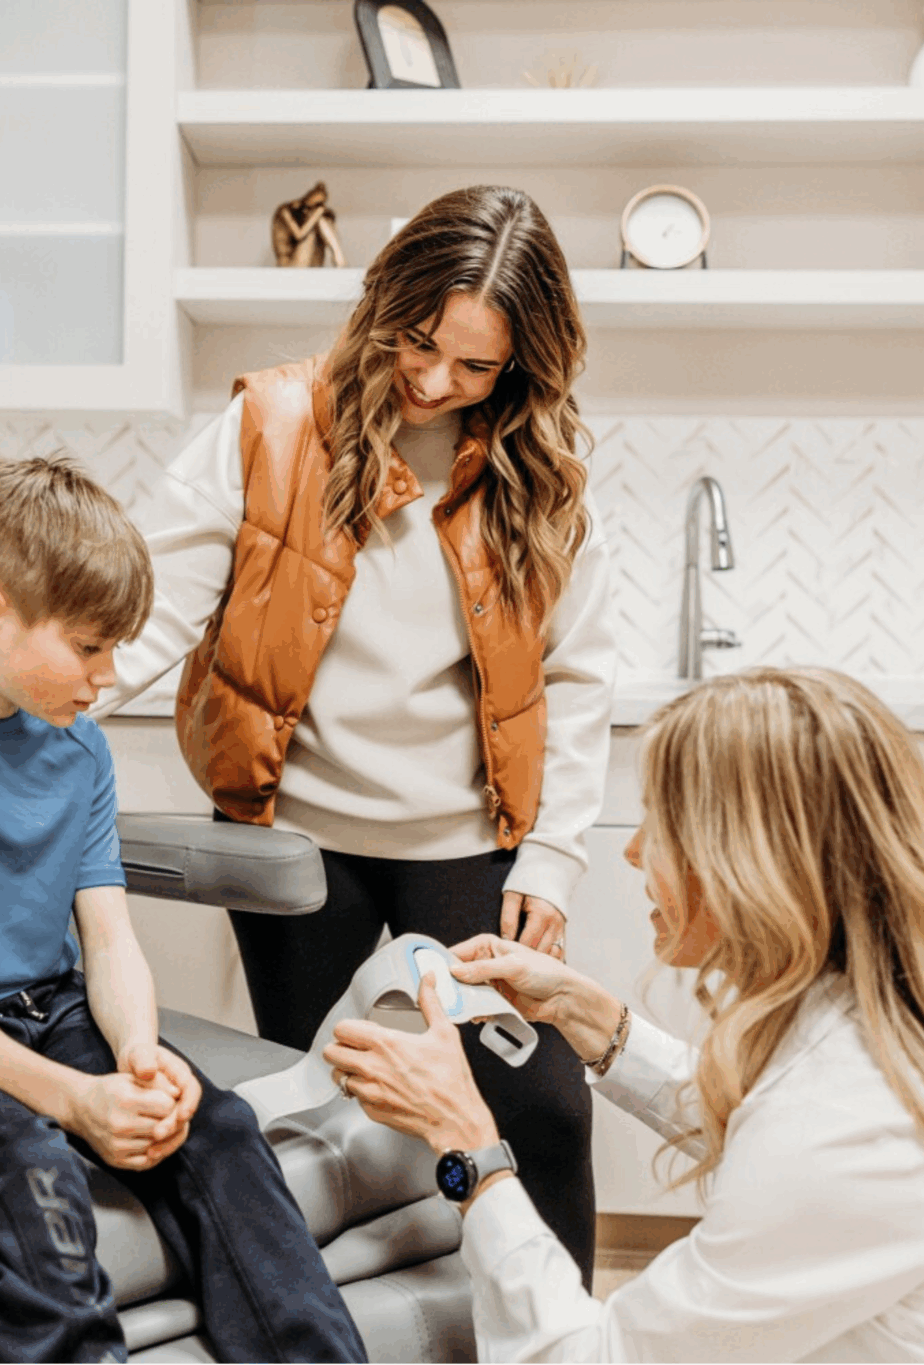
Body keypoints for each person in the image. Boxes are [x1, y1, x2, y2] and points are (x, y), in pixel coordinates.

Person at [93, 184, 616, 1281]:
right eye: (418, 343)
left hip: (467, 845)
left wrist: (555, 859)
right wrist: (21, 701)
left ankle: (566, 1344)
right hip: (297, 840)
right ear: (385, 302)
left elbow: (574, 672)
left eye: (474, 368)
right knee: (307, 1115)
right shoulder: (269, 425)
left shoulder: (542, 470)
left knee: (541, 1108)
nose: (433, 383)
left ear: (520, 365)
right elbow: (149, 611)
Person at [324, 667, 924, 1362]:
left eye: (657, 822)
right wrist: (594, 1018)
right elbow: (774, 1122)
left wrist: (468, 1143)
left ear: (745, 865)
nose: (631, 854)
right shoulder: (869, 1037)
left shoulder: (850, 1128)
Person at [0, 457, 367, 1364]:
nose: (104, 678)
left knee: (213, 1123)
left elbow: (108, 937)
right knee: (34, 1166)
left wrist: (134, 1057)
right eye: (89, 648)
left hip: (43, 1008)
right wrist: (75, 1102)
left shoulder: (80, 749)